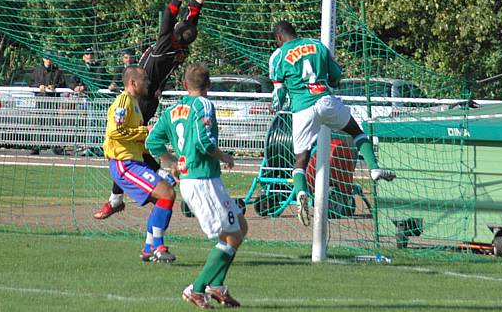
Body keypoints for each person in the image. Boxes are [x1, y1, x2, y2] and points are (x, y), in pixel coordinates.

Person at [94, 0, 221, 220]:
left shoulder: (166, 45)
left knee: (127, 148)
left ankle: (153, 187)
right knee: (138, 150)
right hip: (147, 99)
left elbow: (169, 12)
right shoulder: (181, 44)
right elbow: (192, 15)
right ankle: (140, 190)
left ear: (175, 31)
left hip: (140, 99)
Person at [268, 21, 396, 226]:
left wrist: (275, 106)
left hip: (302, 109)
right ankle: (374, 168)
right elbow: (336, 76)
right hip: (325, 100)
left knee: (301, 157)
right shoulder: (317, 45)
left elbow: (279, 93)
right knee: (356, 131)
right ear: (294, 32)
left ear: (278, 38)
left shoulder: (278, 55)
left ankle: (301, 192)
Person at [146, 63, 247, 309]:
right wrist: (224, 156)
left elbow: (152, 141)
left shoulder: (172, 110)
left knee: (240, 227)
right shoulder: (204, 105)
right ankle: (197, 288)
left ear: (184, 85)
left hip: (200, 179)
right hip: (202, 180)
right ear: (208, 85)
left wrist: (172, 162)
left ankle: (217, 286)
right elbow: (204, 141)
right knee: (231, 235)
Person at [103, 66, 177, 262]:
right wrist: (145, 131)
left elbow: (133, 138)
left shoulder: (135, 104)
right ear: (133, 83)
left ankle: (148, 248)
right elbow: (114, 132)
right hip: (123, 163)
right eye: (144, 79)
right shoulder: (123, 102)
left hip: (135, 161)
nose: (148, 82)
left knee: (164, 197)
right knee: (167, 194)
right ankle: (159, 248)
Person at [29, 55, 65, 155]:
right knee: (40, 122)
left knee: (54, 123)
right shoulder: (37, 70)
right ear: (43, 59)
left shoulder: (57, 71)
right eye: (47, 58)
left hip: (53, 100)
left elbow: (63, 83)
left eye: (50, 58)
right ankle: (37, 146)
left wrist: (54, 86)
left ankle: (56, 147)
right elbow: (30, 83)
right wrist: (38, 86)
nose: (48, 60)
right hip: (41, 99)